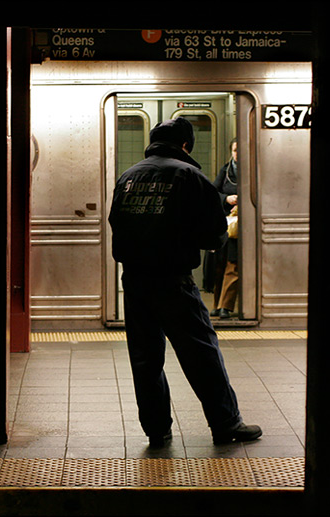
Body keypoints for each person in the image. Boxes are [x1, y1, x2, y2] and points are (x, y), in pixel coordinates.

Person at [108, 118, 261, 447]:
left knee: (146, 358)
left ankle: (156, 428)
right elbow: (214, 233)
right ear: (186, 145)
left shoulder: (129, 176)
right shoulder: (190, 176)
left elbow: (115, 223)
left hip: (134, 281)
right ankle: (225, 423)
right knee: (201, 353)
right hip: (173, 280)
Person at [210, 138, 239, 319]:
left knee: (233, 265)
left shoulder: (252, 169)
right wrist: (226, 199)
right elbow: (214, 192)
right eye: (235, 150)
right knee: (219, 265)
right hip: (227, 223)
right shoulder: (226, 170)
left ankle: (226, 306)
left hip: (242, 225)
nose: (238, 154)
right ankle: (217, 304)